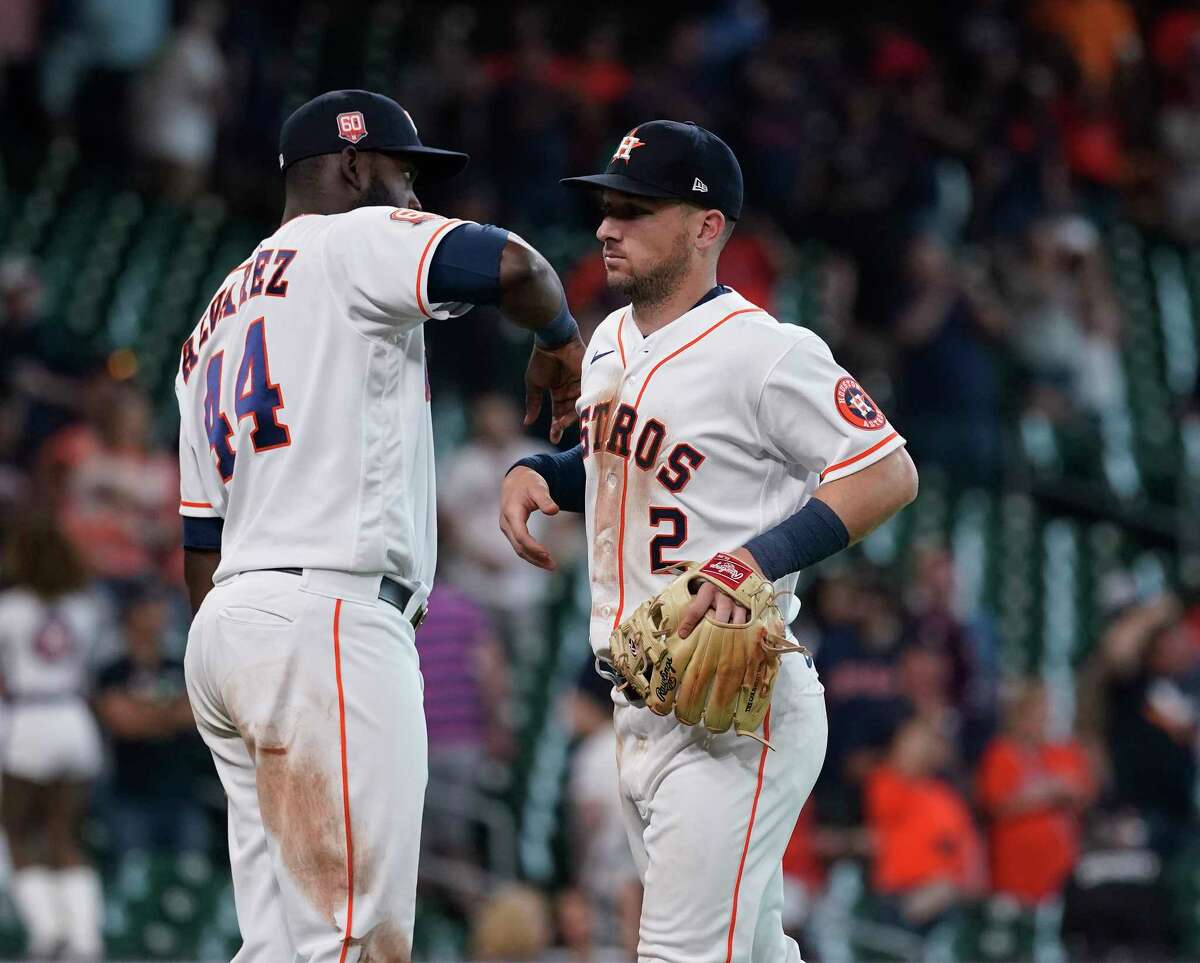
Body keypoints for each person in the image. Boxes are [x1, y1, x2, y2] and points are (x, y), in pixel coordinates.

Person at [176, 89, 584, 961]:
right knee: (356, 941)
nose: (413, 200)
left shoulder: (206, 325)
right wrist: (559, 336)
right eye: (403, 175)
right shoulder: (348, 239)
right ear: (355, 166)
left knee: (279, 946)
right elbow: (517, 265)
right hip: (328, 613)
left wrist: (241, 654)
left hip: (232, 627)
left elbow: (199, 544)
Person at [500, 120, 918, 962]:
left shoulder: (768, 353)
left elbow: (887, 472)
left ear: (706, 226)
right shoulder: (612, 337)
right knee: (753, 949)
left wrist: (750, 561)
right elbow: (619, 461)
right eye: (606, 208)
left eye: (636, 210)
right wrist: (545, 470)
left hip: (736, 704)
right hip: (641, 697)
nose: (607, 227)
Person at [0, 515, 107, 959]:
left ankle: (48, 931)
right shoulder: (86, 608)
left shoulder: (10, 608)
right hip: (74, 719)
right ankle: (85, 938)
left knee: (20, 831)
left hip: (29, 718)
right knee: (67, 834)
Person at [94, 582, 210, 853]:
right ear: (131, 613)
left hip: (182, 792)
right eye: (150, 606)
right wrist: (168, 713)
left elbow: (195, 715)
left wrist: (143, 712)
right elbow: (122, 723)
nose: (159, 613)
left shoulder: (180, 664)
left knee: (192, 876)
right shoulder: (113, 670)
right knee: (132, 874)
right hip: (130, 793)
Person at [974, 680, 1095, 906]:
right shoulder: (1000, 754)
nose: (1042, 720)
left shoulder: (1061, 753)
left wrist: (1048, 793)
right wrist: (1048, 793)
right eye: (1036, 713)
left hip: (1060, 868)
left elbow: (1082, 794)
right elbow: (998, 805)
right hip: (1016, 871)